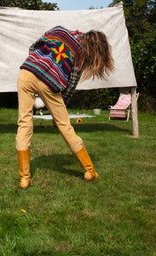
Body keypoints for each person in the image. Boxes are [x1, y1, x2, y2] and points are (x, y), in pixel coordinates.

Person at [16, 26, 114, 189]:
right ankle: (89, 170)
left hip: (26, 73)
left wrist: (37, 65)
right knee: (65, 127)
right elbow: (69, 88)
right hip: (49, 84)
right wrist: (58, 114)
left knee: (24, 123)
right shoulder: (79, 56)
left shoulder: (59, 31)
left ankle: (24, 178)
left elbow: (34, 47)